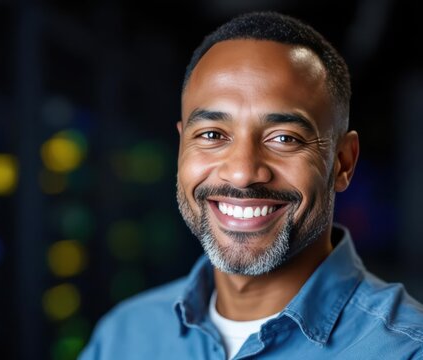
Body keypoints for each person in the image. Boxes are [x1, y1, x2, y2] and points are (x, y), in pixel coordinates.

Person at [80, 11, 423, 359]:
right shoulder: (123, 337)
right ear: (182, 145)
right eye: (212, 135)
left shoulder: (407, 349)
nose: (242, 173)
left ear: (343, 163)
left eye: (284, 138)